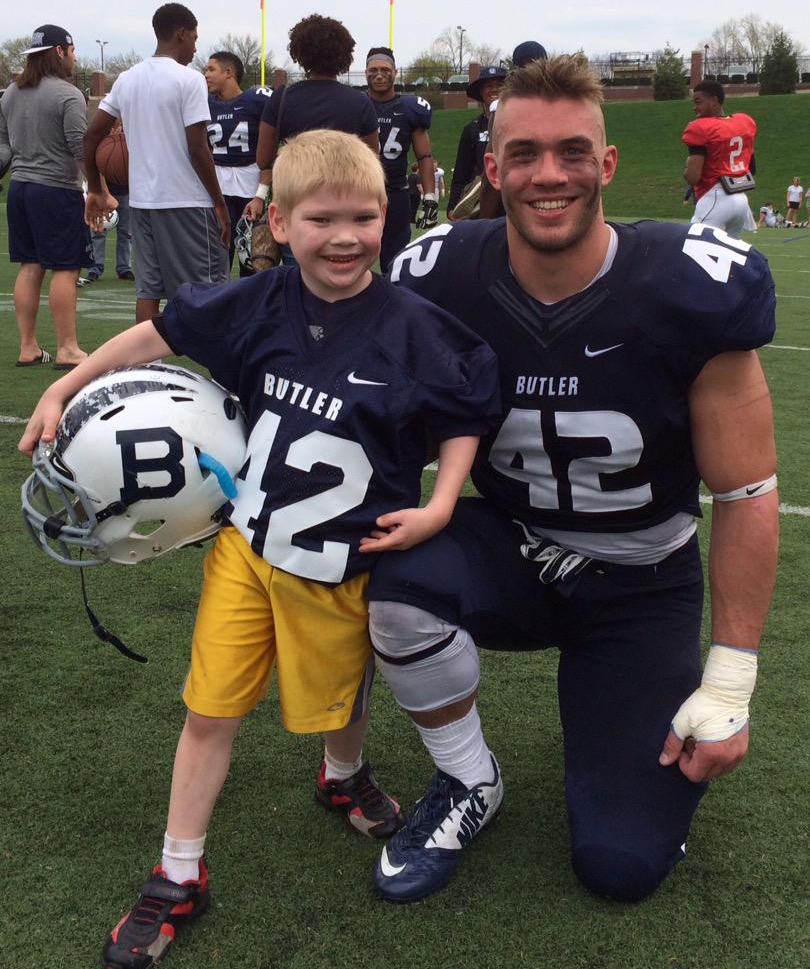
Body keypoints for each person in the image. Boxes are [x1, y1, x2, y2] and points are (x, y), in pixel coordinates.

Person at [19, 128, 499, 967]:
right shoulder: (257, 302)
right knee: (210, 710)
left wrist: (442, 501)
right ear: (278, 222)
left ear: (387, 217)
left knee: (340, 696)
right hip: (248, 548)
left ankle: (342, 774)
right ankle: (179, 871)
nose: (345, 237)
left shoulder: (416, 328)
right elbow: (156, 334)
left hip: (344, 561)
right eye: (321, 219)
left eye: (363, 218)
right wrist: (68, 383)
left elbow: (465, 412)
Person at [367, 55, 778, 906]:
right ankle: (469, 778)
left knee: (621, 865)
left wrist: (731, 677)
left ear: (608, 164)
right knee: (395, 578)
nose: (548, 174)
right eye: (524, 153)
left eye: (572, 152)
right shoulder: (440, 275)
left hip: (642, 579)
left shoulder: (687, 286)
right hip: (511, 546)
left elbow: (746, 493)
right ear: (493, 168)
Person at [84, 3, 231, 324]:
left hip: (142, 203)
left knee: (148, 291)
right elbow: (198, 147)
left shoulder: (127, 79)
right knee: (207, 290)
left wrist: (95, 188)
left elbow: (91, 136)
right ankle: (207, 355)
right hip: (187, 202)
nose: (195, 48)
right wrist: (219, 203)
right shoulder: (189, 79)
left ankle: (145, 356)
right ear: (181, 34)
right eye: (194, 39)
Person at [245, 13, 379, 266]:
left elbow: (263, 159)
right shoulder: (360, 102)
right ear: (344, 54)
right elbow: (372, 161)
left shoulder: (283, 98)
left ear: (300, 53)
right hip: (346, 205)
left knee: (298, 278)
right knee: (343, 275)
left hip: (298, 203)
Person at [0, 24, 90, 369]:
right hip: (56, 189)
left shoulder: (11, 92)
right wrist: (100, 190)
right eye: (72, 50)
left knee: (30, 265)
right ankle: (68, 349)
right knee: (66, 269)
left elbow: (4, 145)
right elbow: (79, 148)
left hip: (20, 188)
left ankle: (28, 347)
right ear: (59, 51)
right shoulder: (68, 94)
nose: (74, 57)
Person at [365, 45, 437, 269]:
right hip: (361, 190)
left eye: (385, 70)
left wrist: (430, 196)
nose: (379, 75)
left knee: (395, 261)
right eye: (373, 70)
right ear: (365, 73)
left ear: (395, 73)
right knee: (355, 253)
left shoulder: (409, 108)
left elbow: (424, 156)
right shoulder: (355, 105)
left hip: (396, 191)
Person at [204, 50, 272, 273]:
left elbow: (269, 155)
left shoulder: (257, 100)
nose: (206, 75)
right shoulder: (205, 103)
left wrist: (260, 195)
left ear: (229, 73)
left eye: (211, 69)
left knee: (251, 262)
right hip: (218, 188)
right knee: (217, 261)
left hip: (250, 187)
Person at [478, 40, 548, 219]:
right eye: (527, 67)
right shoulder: (502, 108)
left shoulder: (563, 104)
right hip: (521, 191)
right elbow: (493, 167)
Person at [681, 80, 757, 238]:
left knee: (695, 247)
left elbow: (693, 177)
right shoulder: (743, 121)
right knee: (728, 251)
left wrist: (687, 167)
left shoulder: (700, 127)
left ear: (714, 100)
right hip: (741, 200)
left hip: (715, 197)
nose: (695, 107)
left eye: (698, 102)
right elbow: (752, 169)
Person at [447, 65, 507, 220]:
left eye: (499, 85)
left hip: (510, 196)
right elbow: (461, 171)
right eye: (488, 86)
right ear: (480, 91)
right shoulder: (472, 129)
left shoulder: (518, 124)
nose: (494, 89)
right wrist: (453, 206)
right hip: (481, 199)